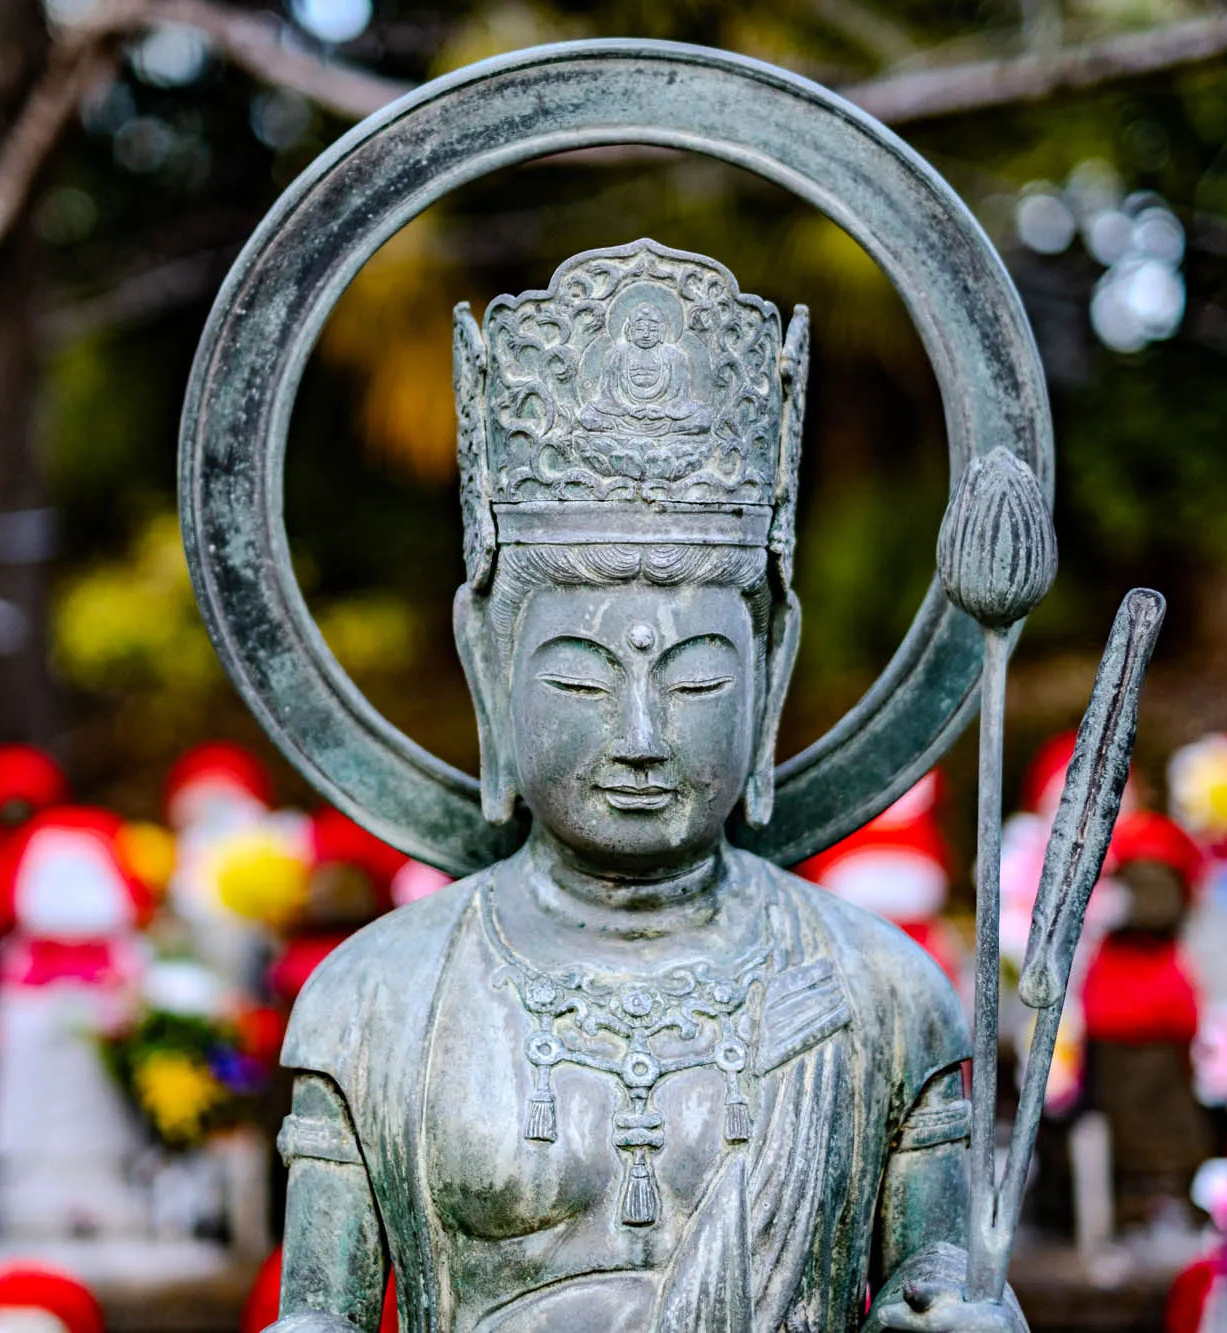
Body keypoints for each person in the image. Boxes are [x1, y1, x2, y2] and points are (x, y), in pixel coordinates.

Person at [261, 242, 1015, 1333]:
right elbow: (317, 1314)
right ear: (485, 658)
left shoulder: (880, 997)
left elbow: (933, 1287)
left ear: (771, 669)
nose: (641, 733)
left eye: (697, 675)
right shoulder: (372, 1000)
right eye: (578, 673)